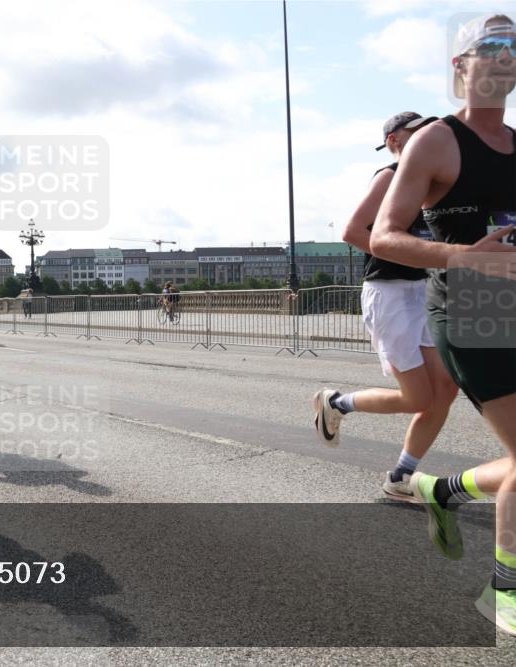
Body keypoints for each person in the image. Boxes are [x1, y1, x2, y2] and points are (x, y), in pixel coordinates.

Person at [370, 14, 516, 635]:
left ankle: (444, 490)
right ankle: (504, 594)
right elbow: (382, 235)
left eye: (513, 45)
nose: (504, 55)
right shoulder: (436, 141)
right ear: (460, 67)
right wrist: (462, 255)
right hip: (469, 309)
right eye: (490, 45)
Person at [313, 111, 458, 502]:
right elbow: (352, 231)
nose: (428, 140)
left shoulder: (429, 183)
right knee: (417, 397)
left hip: (421, 291)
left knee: (445, 388)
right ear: (395, 140)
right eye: (417, 134)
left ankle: (401, 475)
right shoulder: (390, 176)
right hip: (389, 292)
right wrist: (405, 255)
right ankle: (337, 403)